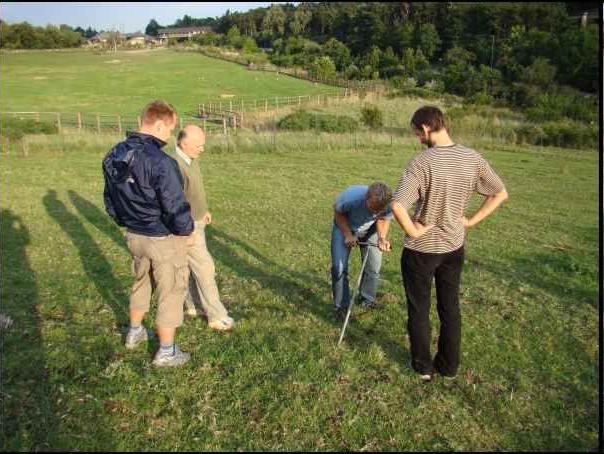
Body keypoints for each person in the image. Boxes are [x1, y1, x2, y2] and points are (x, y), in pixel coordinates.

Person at [392, 106, 508, 382]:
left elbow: (397, 205)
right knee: (450, 307)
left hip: (421, 252)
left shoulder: (420, 162)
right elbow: (500, 193)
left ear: (425, 129)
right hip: (454, 248)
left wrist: (413, 231)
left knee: (419, 309)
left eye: (417, 134)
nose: (418, 139)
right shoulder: (472, 158)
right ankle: (448, 367)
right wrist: (471, 221)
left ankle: (423, 367)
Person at [102, 100, 195, 367]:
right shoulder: (162, 162)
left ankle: (134, 332)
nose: (169, 136)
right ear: (157, 124)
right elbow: (175, 205)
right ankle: (167, 351)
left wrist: (126, 220)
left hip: (134, 235)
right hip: (161, 237)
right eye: (169, 129)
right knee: (171, 290)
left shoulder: (114, 154)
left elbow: (109, 198)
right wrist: (185, 231)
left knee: (141, 281)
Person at [172, 124, 235, 331]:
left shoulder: (192, 159)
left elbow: (195, 190)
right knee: (205, 268)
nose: (202, 149)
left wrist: (203, 210)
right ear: (184, 142)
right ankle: (216, 316)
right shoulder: (175, 165)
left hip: (196, 221)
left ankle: (193, 305)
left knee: (191, 268)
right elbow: (175, 202)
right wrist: (187, 229)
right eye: (199, 145)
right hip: (187, 227)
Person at [331, 182, 393, 321]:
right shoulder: (350, 198)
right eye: (373, 208)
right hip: (345, 227)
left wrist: (382, 238)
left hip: (371, 230)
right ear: (366, 198)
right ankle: (341, 307)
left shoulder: (389, 203)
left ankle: (367, 299)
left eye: (379, 210)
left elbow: (383, 219)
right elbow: (338, 212)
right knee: (339, 268)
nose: (375, 213)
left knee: (373, 266)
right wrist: (347, 234)